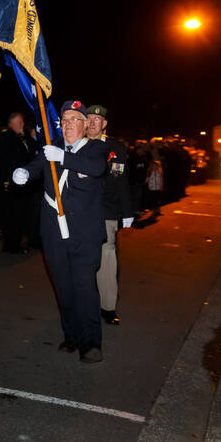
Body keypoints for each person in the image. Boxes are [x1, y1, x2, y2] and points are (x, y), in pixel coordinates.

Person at [12, 100, 108, 363]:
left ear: (86, 124)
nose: (67, 125)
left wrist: (63, 157)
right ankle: (72, 335)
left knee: (84, 287)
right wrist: (24, 172)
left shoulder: (96, 148)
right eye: (64, 120)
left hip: (84, 235)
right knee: (64, 287)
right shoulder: (51, 150)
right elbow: (36, 165)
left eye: (74, 119)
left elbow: (97, 168)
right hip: (54, 232)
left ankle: (91, 343)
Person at [84, 105, 134, 325]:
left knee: (106, 257)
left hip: (106, 211)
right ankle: (84, 303)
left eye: (98, 119)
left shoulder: (115, 149)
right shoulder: (76, 145)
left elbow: (120, 179)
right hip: (81, 212)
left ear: (104, 125)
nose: (93, 122)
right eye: (90, 118)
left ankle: (107, 307)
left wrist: (127, 212)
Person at [0, 112, 38, 253]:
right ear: (11, 123)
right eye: (19, 122)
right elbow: (7, 160)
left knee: (22, 214)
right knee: (12, 215)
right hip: (12, 182)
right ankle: (12, 245)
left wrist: (24, 135)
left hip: (24, 182)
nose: (22, 125)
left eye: (22, 122)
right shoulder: (6, 137)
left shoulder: (23, 137)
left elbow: (33, 149)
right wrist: (7, 180)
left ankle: (19, 241)